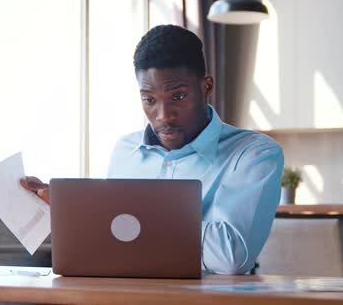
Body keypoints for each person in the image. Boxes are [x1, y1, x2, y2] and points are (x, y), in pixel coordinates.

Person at [21, 24, 283, 275]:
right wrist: (75, 209)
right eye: (149, 100)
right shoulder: (124, 151)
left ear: (206, 87)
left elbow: (231, 257)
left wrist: (129, 219)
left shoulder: (253, 154)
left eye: (178, 97)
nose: (163, 116)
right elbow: (113, 245)